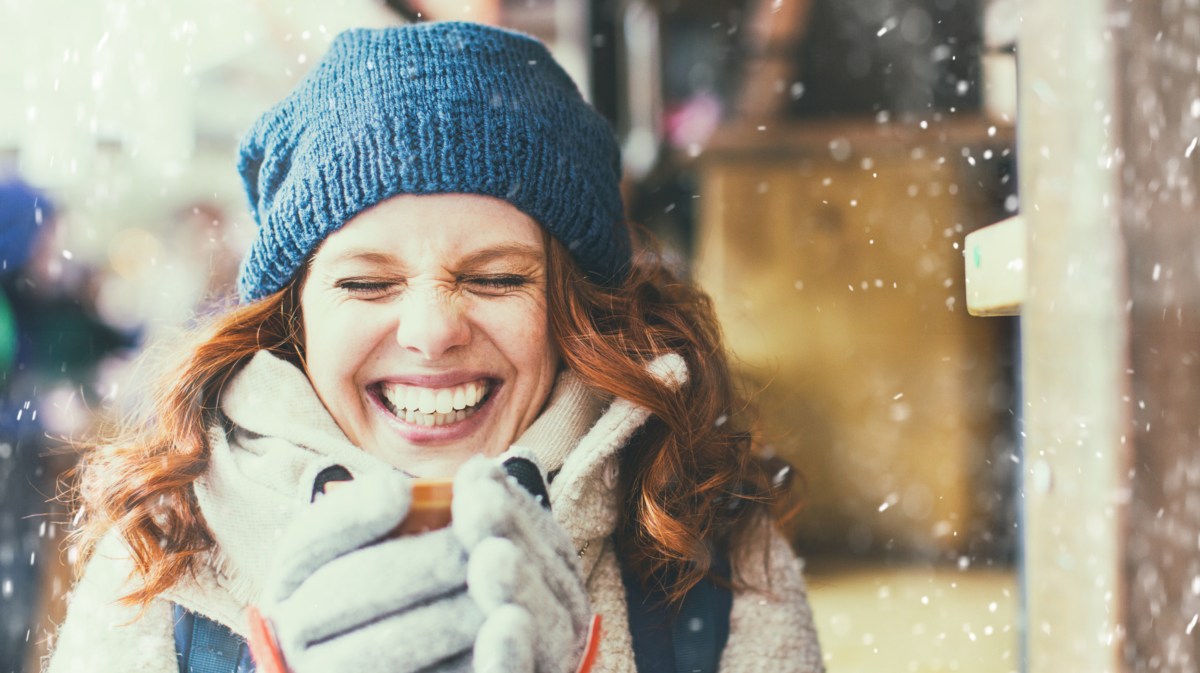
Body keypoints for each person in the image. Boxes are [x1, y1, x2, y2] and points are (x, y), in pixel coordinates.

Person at [46, 21, 823, 673]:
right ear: (294, 319)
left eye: (493, 278)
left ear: (577, 309)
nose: (431, 330)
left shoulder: (710, 556)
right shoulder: (163, 561)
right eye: (366, 284)